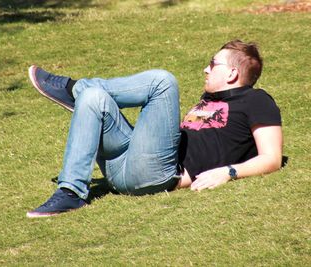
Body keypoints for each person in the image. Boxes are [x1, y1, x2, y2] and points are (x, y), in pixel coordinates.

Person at [26, 39, 283, 218]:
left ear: (232, 74)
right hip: (123, 168)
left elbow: (271, 158)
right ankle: (70, 191)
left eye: (213, 63)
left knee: (163, 81)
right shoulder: (208, 101)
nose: (206, 68)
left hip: (160, 174)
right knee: (94, 98)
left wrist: (228, 172)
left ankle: (73, 89)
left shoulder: (256, 100)